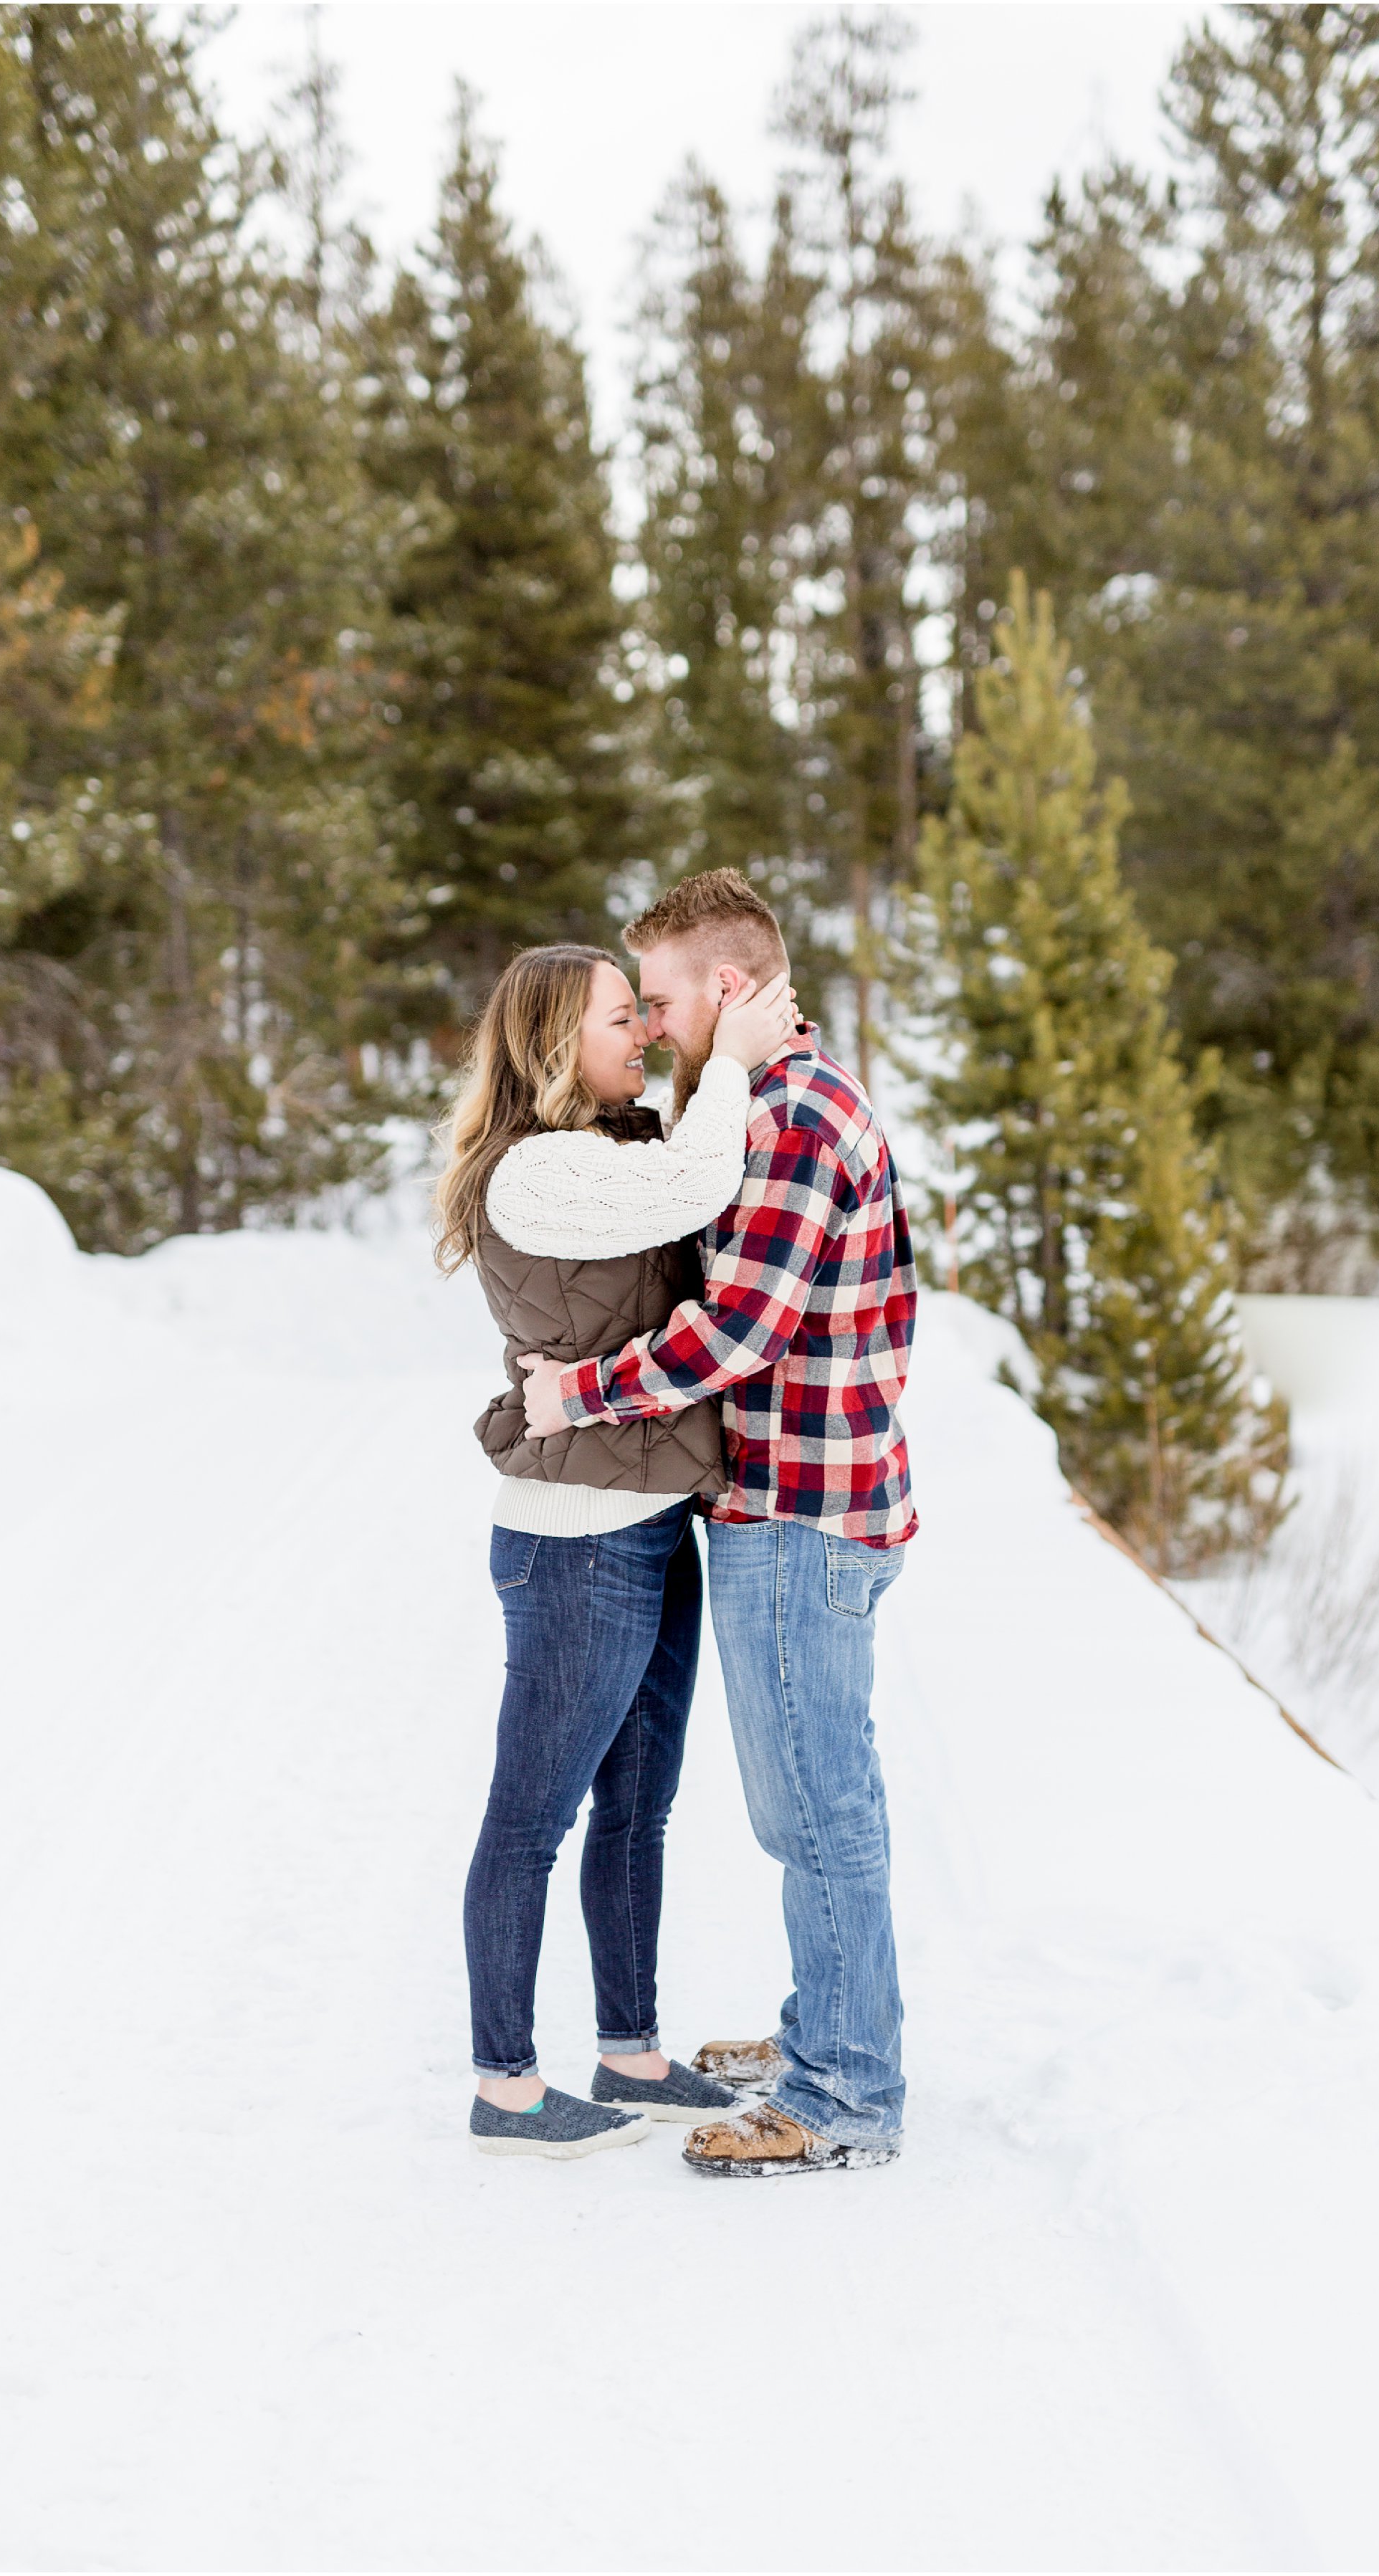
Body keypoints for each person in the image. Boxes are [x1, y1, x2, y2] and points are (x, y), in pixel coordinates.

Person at [520, 869, 918, 2179]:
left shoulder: (795, 1117)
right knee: (810, 1798)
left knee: (816, 1809)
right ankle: (831, 2029)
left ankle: (846, 2090)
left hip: (801, 1514)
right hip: (799, 1497)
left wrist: (575, 1390)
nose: (655, 1024)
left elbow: (736, 1332)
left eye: (667, 995)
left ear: (729, 988)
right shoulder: (777, 1102)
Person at [434, 940, 802, 2160]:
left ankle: (631, 2052)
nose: (641, 1034)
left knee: (637, 1807)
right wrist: (735, 1061)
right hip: (572, 1544)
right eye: (616, 1017)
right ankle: (504, 2084)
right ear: (551, 1040)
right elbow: (696, 1190)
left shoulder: (612, 1142)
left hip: (649, 1518)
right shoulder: (535, 1174)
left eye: (644, 1015)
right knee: (530, 1818)